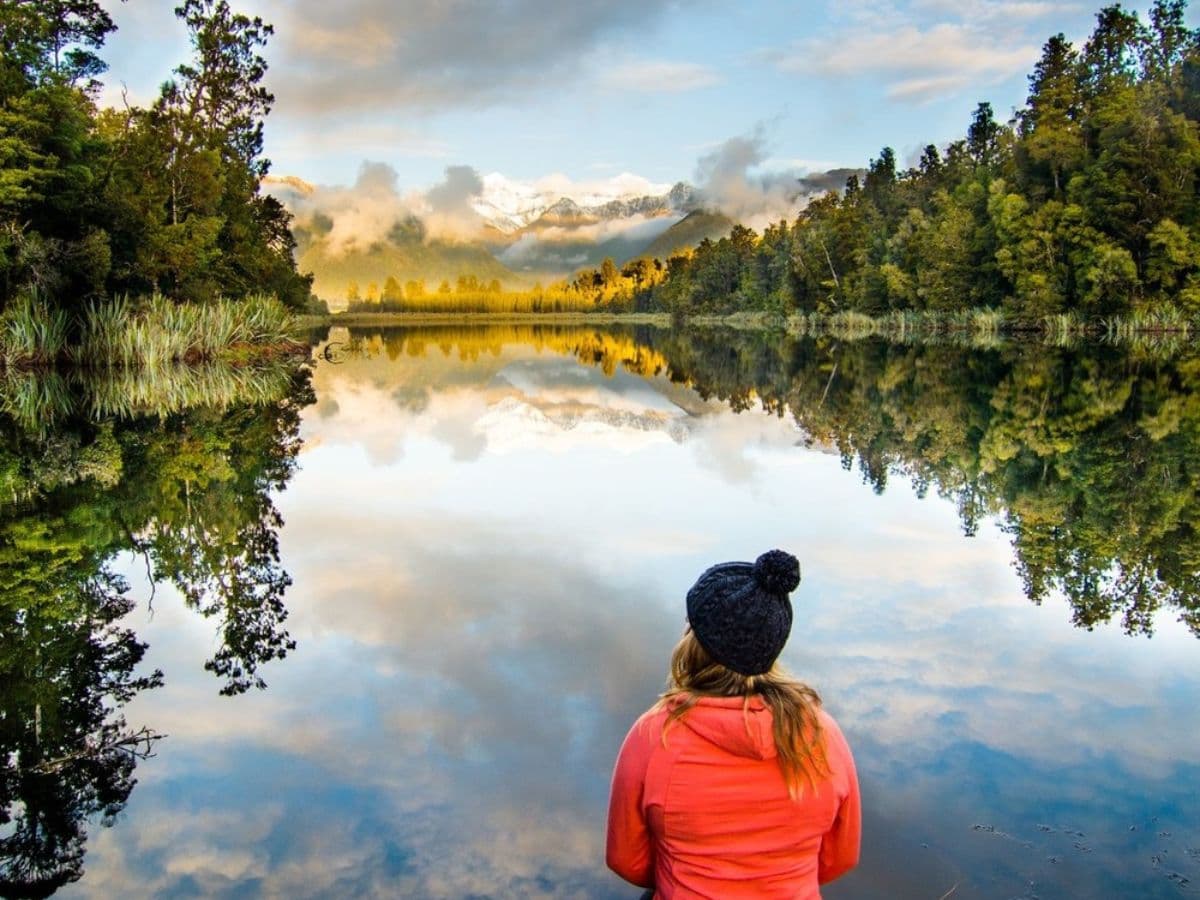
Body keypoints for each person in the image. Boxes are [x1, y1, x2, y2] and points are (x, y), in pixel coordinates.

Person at [606, 549, 860, 899]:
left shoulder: (655, 735)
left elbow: (626, 860)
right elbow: (839, 859)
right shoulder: (822, 733)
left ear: (693, 641)